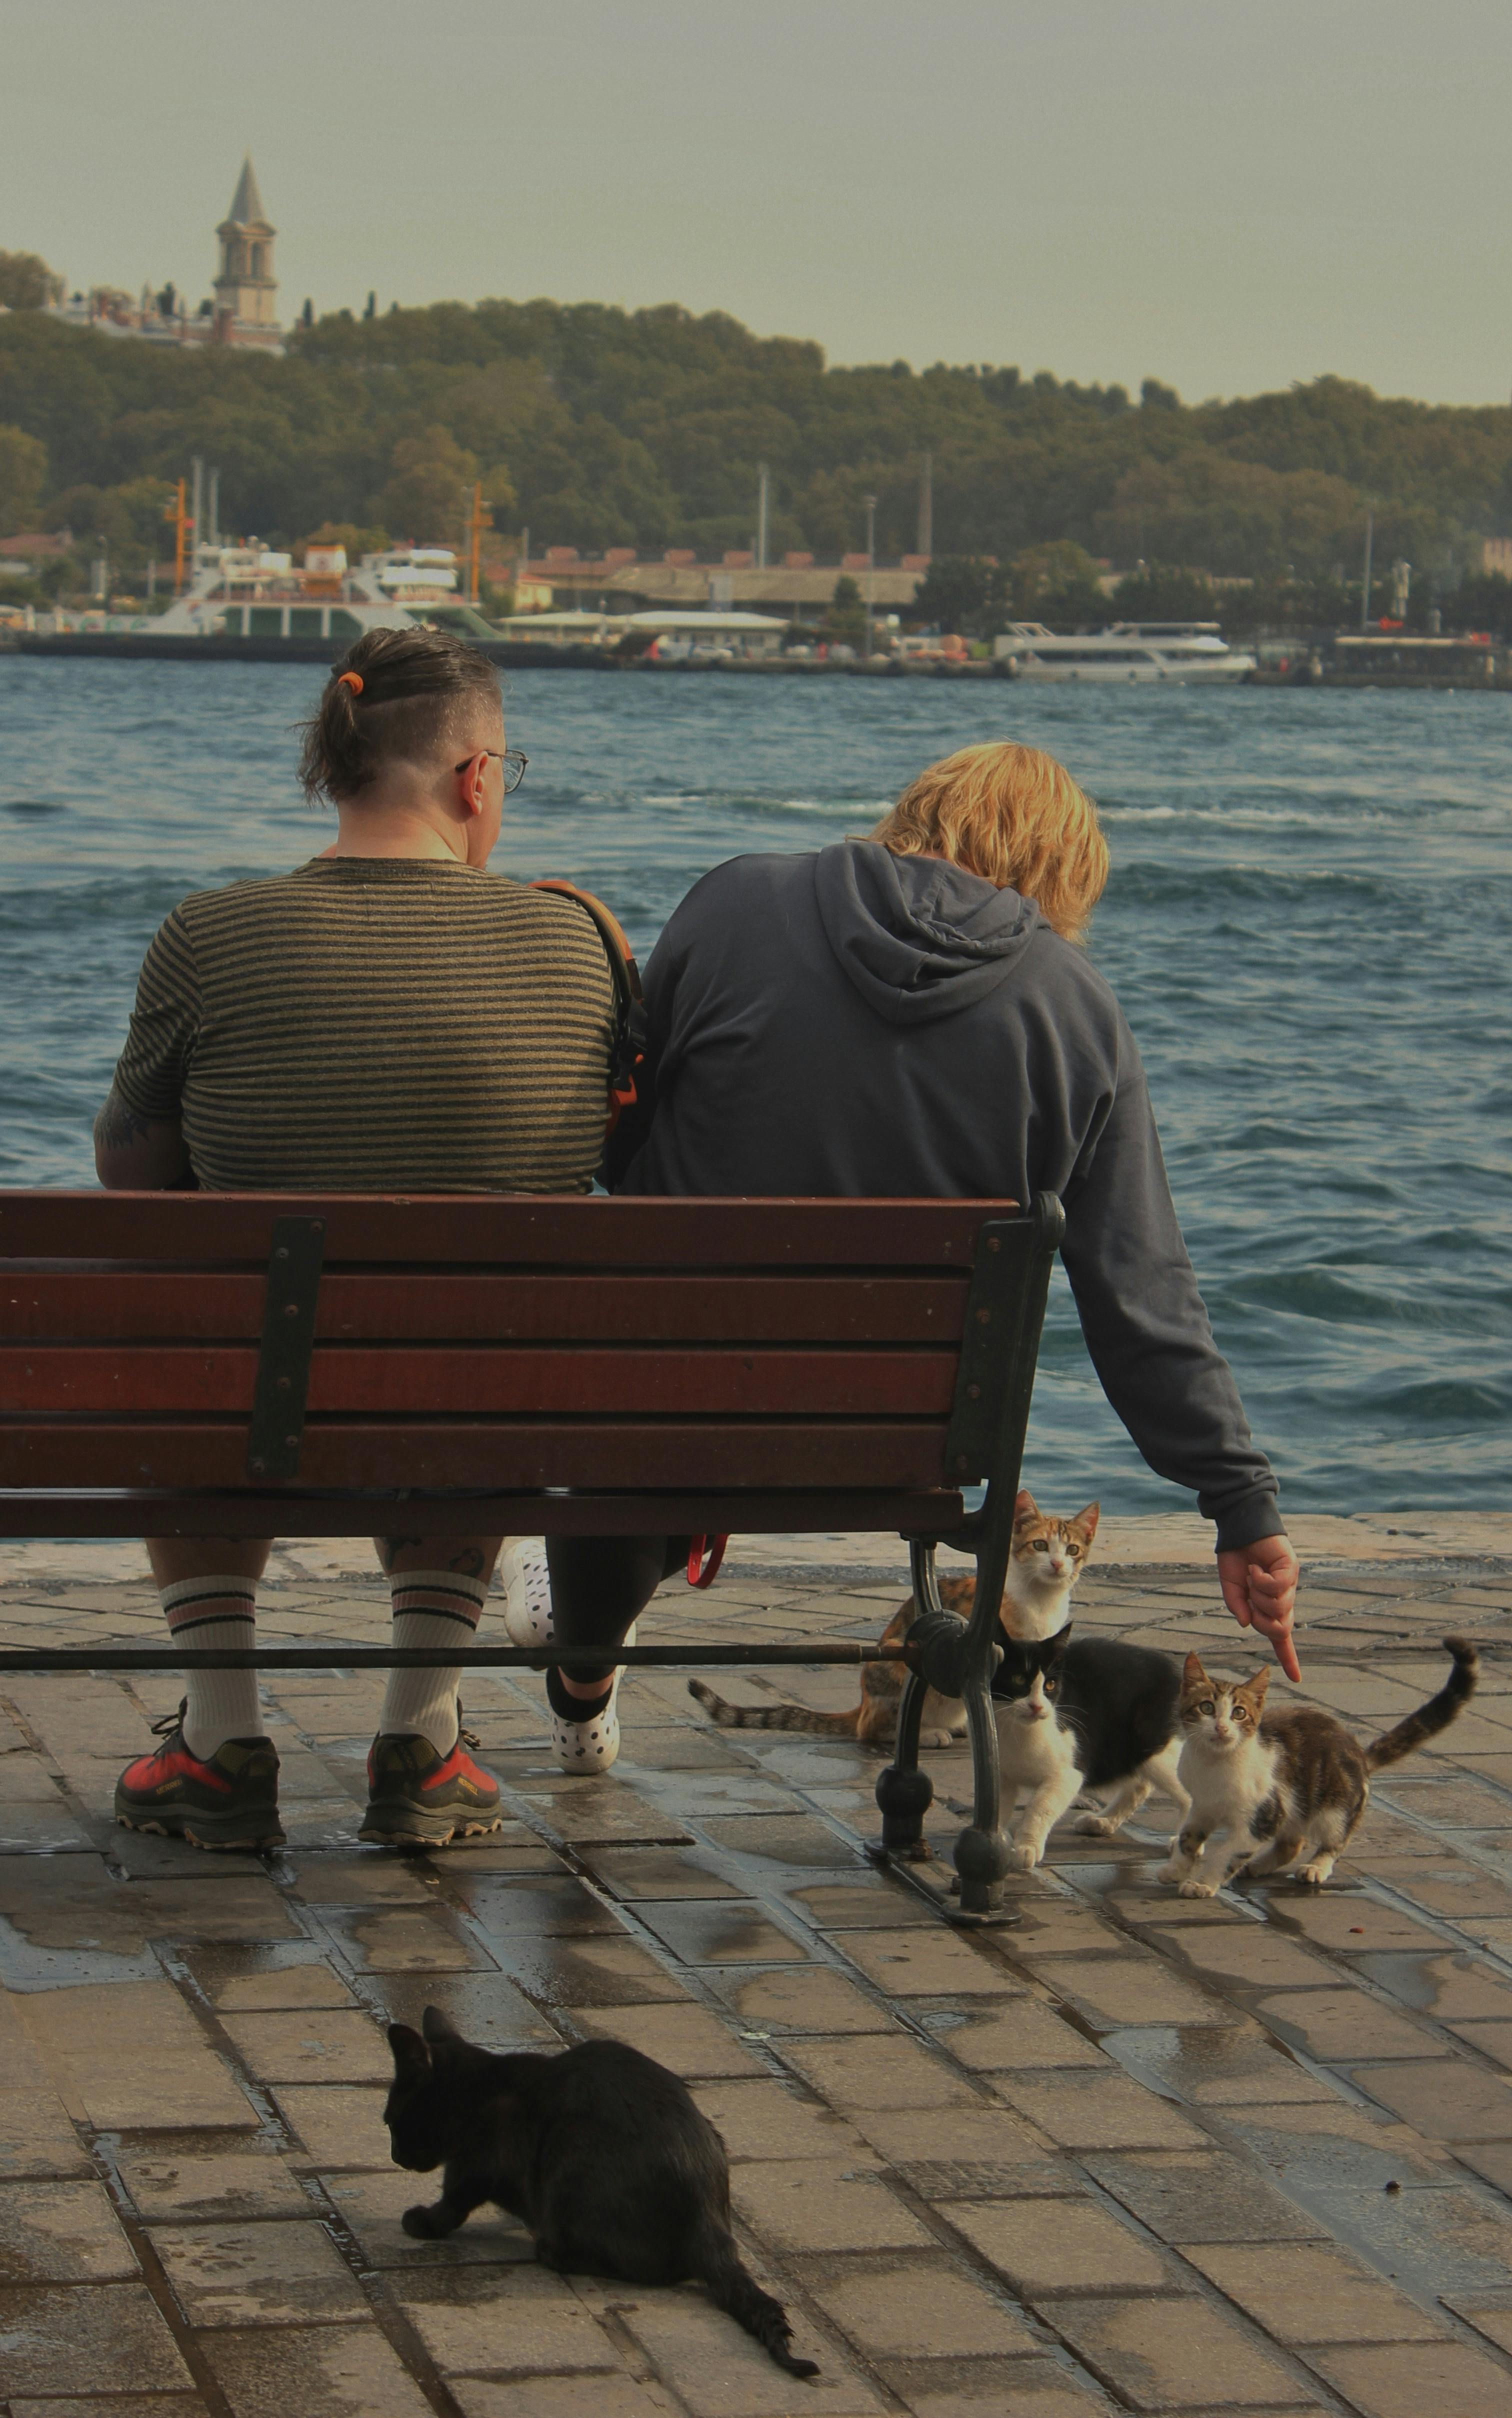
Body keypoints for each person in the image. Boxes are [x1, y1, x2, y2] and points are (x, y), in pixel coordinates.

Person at [530, 739, 1300, 1762]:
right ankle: (598, 1636)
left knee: (655, 1396)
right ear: (1064, 876)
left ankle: (586, 1664)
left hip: (675, 1402)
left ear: (917, 813)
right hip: (906, 1447)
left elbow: (625, 1147)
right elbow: (1141, 1300)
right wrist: (1240, 1503)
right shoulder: (1078, 1015)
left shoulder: (733, 904)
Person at [95, 625, 624, 1850]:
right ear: (478, 778)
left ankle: (222, 1742)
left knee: (195, 1296)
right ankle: (423, 1743)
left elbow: (127, 1174)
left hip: (249, 1403)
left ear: (337, 766)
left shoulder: (208, 933)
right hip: (477, 1403)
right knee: (483, 1315)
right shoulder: (579, 944)